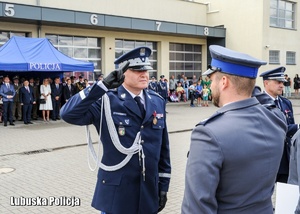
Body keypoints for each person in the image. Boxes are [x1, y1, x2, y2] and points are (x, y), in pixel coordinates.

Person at [60, 46, 171, 214]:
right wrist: (100, 86)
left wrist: (163, 185)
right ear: (122, 73)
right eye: (136, 70)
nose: (144, 74)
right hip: (117, 194)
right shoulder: (106, 100)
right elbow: (68, 114)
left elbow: (163, 149)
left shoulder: (157, 101)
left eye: (146, 69)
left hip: (148, 192)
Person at [181, 45, 287, 214]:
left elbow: (197, 207)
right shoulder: (276, 120)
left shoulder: (208, 134)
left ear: (224, 82)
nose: (211, 84)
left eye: (213, 79)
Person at [260, 66, 299, 183]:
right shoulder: (258, 103)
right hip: (267, 157)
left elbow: (290, 132)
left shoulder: (286, 102)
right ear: (266, 83)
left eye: (282, 82)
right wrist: (297, 127)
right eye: (277, 82)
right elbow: (272, 129)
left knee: (284, 194)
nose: (282, 85)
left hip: (284, 158)